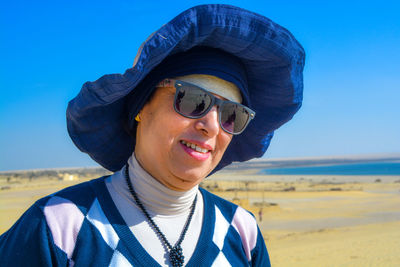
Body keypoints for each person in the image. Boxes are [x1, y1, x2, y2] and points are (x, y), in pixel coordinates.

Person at [0, 4, 304, 266]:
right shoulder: (58, 226)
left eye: (232, 115)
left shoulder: (242, 232)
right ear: (141, 106)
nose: (211, 125)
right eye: (193, 100)